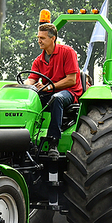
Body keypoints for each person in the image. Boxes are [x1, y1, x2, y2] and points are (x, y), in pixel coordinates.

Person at [26, 23, 83, 158]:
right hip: (50, 91)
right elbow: (31, 79)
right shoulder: (39, 60)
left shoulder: (67, 52)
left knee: (56, 98)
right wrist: (24, 87)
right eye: (38, 37)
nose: (39, 41)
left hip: (70, 92)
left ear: (53, 39)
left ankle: (53, 141)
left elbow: (71, 80)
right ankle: (28, 137)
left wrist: (50, 87)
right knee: (32, 99)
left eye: (43, 38)